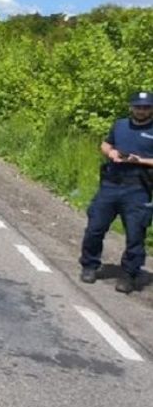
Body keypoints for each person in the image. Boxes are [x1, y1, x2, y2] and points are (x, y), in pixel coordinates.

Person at [80, 91, 153, 293]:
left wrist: (139, 160)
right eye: (138, 106)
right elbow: (105, 143)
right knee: (95, 228)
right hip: (111, 185)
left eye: (146, 107)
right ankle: (89, 265)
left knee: (135, 235)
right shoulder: (120, 125)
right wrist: (110, 152)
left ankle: (129, 275)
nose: (141, 110)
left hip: (138, 188)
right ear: (131, 107)